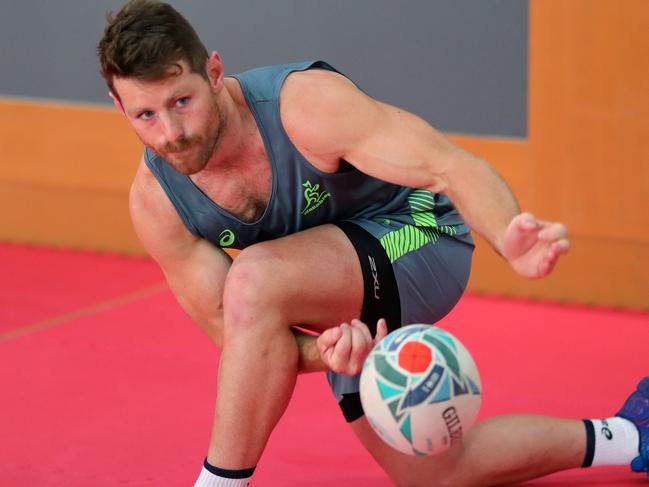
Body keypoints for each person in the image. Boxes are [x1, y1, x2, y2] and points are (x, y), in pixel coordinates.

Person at [97, 1, 648, 485]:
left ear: (213, 72)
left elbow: (446, 165)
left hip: (420, 232)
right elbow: (241, 338)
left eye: (181, 102)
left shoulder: (303, 106)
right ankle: (629, 433)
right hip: (342, 295)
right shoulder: (157, 203)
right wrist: (328, 350)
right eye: (146, 114)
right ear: (120, 110)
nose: (171, 132)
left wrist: (508, 233)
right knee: (434, 472)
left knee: (256, 277)